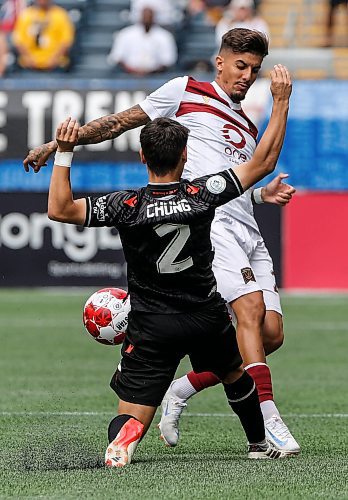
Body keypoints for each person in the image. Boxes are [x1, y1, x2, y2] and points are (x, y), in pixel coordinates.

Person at [23, 28, 299, 455]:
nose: (247, 76)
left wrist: (262, 195)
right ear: (220, 61)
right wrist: (54, 144)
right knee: (249, 312)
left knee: (270, 335)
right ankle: (268, 423)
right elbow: (116, 124)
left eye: (255, 70)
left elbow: (246, 175)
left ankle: (181, 389)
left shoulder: (245, 123)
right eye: (240, 66)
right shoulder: (183, 90)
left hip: (245, 225)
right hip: (210, 218)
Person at [107, 7, 177, 76]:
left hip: (156, 76)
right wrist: (133, 71)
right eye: (145, 15)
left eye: (149, 16)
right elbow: (117, 57)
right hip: (128, 76)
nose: (147, 18)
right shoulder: (125, 33)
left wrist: (149, 72)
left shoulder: (165, 36)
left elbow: (168, 61)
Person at [12, 0, 74, 71]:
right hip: (28, 65)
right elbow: (18, 41)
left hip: (56, 65)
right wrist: (29, 58)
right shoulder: (26, 15)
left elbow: (66, 41)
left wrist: (54, 59)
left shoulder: (61, 15)